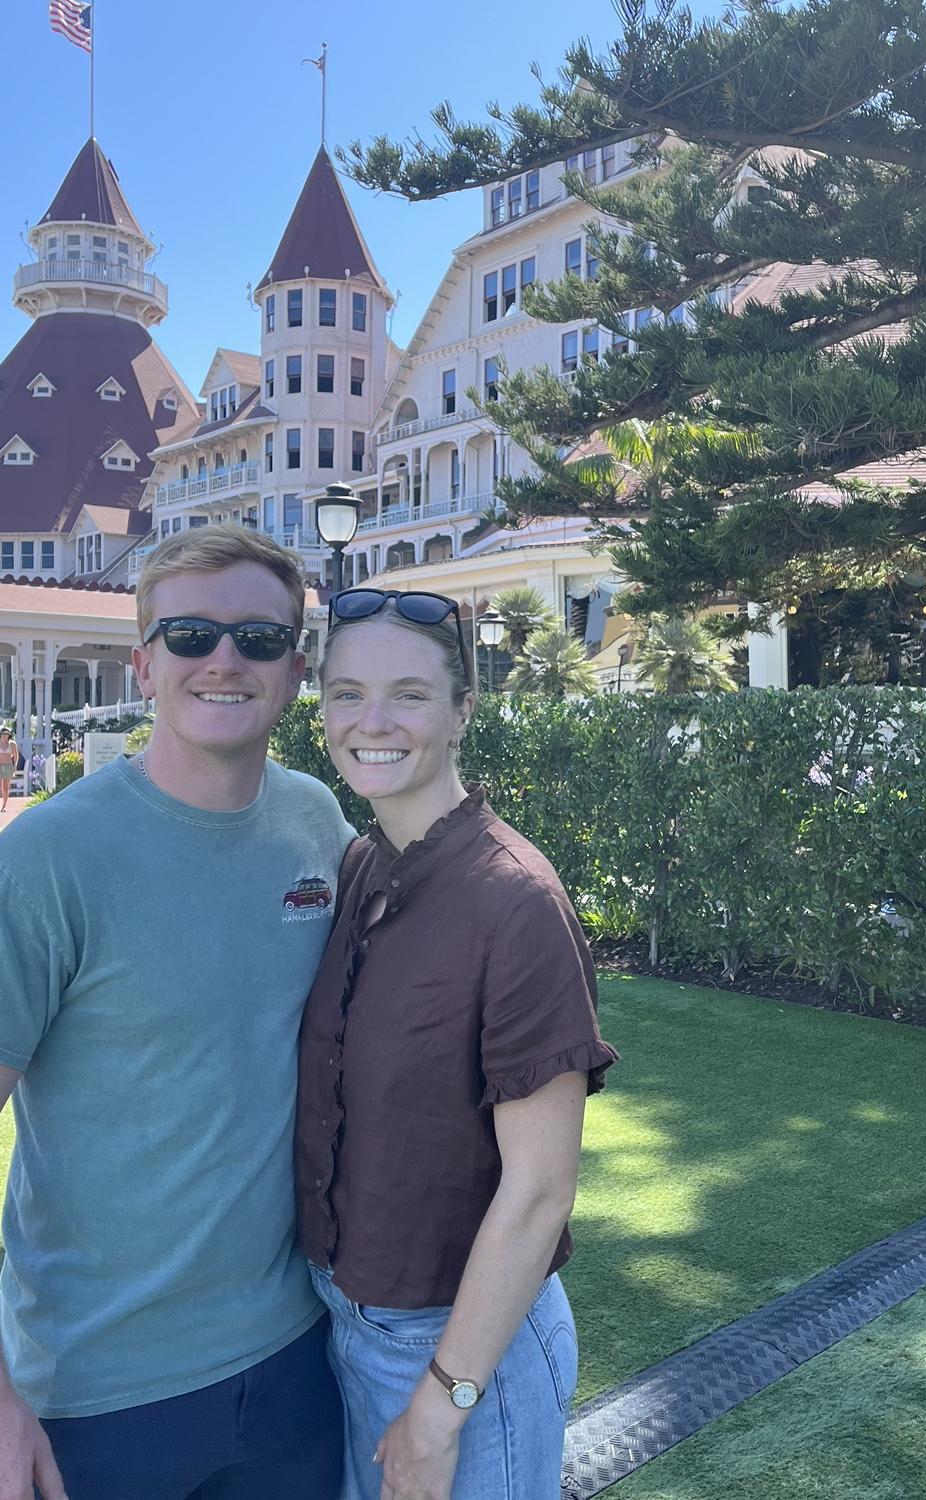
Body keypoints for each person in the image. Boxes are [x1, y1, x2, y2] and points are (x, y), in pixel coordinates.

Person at [0, 526, 356, 1500]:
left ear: (296, 668)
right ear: (145, 664)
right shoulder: (46, 859)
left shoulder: (317, 822)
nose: (224, 660)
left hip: (298, 1359)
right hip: (97, 1393)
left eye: (259, 638)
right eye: (190, 635)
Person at [298, 587, 617, 1500]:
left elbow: (541, 1188)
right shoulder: (362, 866)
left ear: (464, 709)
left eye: (409, 694)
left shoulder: (514, 902)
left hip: (461, 1356)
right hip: (347, 1326)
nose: (372, 722)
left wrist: (443, 1405)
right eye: (348, 694)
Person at [0, 727, 18, 812]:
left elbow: (16, 756)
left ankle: (4, 806)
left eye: (6, 734)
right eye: (3, 734)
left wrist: (15, 765)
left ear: (9, 735)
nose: (4, 736)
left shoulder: (12, 744)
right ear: (0, 735)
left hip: (8, 765)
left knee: (6, 786)